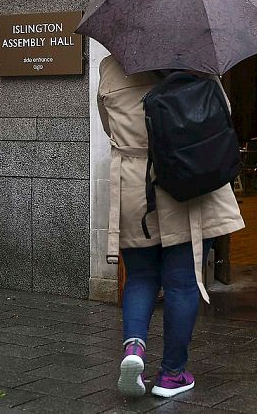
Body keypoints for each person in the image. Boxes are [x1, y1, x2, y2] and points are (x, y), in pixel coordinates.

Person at [97, 55, 244, 398]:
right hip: (187, 182)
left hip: (135, 187)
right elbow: (222, 115)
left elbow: (109, 127)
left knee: (140, 276)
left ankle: (134, 349)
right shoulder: (198, 65)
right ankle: (172, 374)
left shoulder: (110, 67)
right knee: (182, 281)